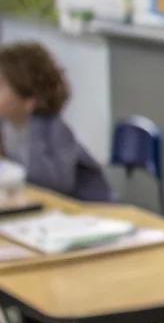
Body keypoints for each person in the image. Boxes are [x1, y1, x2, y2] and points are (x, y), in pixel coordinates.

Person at [0, 40, 112, 202]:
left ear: (29, 101)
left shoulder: (53, 129)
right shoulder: (6, 124)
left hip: (90, 207)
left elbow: (55, 185)